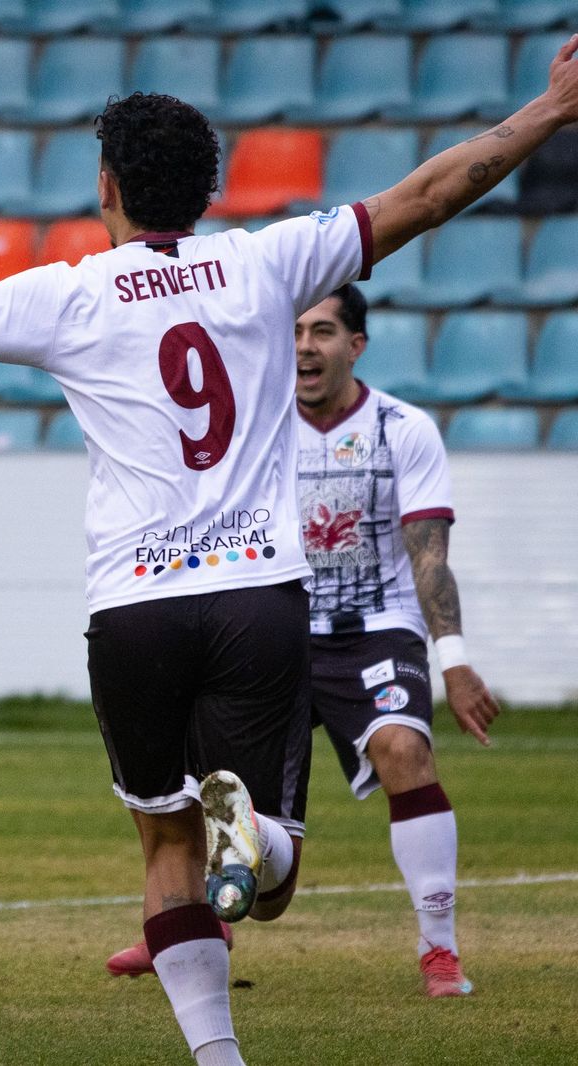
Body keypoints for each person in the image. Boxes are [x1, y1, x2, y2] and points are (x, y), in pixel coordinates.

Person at [0, 40, 578, 1066]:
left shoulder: (68, 293)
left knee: (163, 842)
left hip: (134, 607)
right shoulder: (273, 261)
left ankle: (218, 1055)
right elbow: (430, 193)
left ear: (105, 188)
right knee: (272, 879)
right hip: (259, 594)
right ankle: (252, 837)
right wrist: (549, 110)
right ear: (209, 189)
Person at [105, 284, 501, 997]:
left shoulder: (402, 429)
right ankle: (197, 920)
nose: (305, 348)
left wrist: (455, 661)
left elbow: (428, 555)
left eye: (323, 332)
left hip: (372, 630)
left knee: (404, 749)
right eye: (293, 333)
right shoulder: (257, 430)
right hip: (270, 629)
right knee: (228, 818)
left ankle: (439, 950)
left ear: (356, 345)